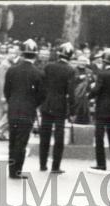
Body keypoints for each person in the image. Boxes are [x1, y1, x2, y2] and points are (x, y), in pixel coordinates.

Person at [3, 39, 44, 179]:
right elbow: (41, 95)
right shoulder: (38, 73)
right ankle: (17, 170)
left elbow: (6, 90)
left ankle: (11, 169)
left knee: (12, 139)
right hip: (28, 110)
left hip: (13, 108)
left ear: (22, 53)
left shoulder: (12, 70)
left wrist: (12, 101)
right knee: (21, 141)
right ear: (35, 55)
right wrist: (33, 105)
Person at [38, 41, 75, 174]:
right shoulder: (70, 70)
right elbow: (71, 92)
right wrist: (72, 110)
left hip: (47, 103)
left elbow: (42, 85)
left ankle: (42, 164)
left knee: (45, 134)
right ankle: (55, 166)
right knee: (59, 135)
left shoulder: (48, 67)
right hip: (60, 105)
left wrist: (41, 101)